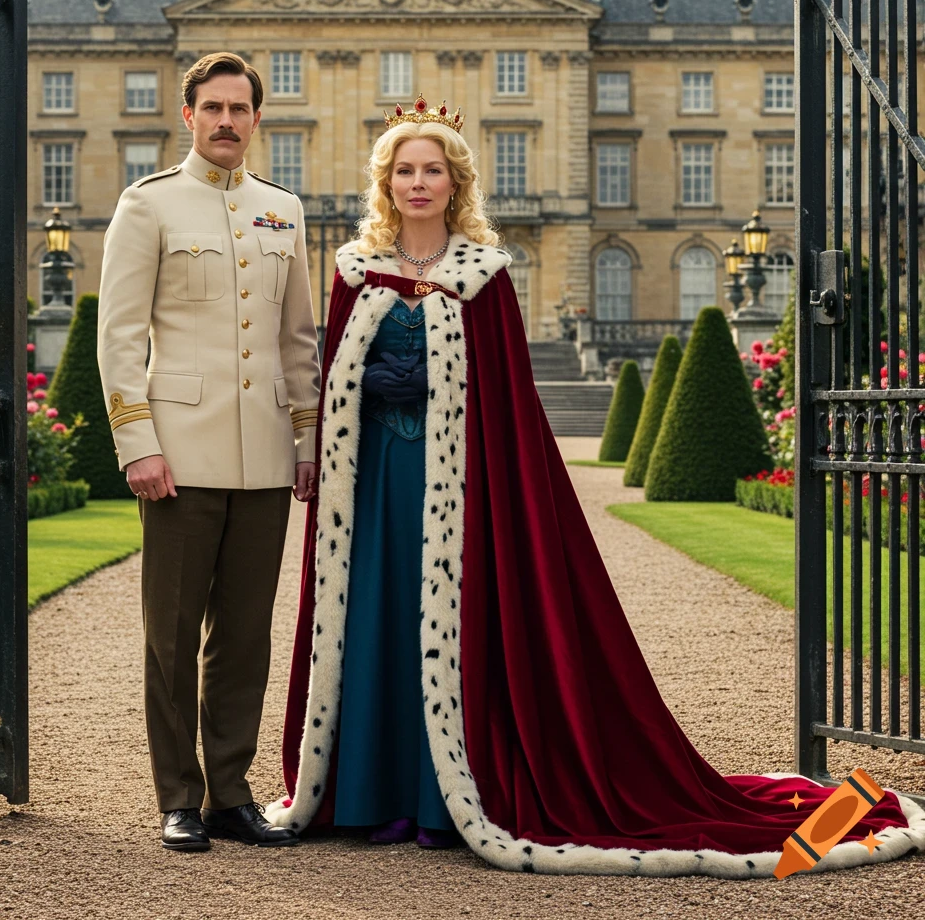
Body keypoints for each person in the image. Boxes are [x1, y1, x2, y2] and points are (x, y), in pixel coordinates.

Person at [265, 96, 925, 876]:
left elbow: (508, 409)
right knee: (374, 618)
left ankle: (447, 800)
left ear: (455, 182)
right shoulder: (352, 270)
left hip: (463, 485)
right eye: (404, 171)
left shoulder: (486, 276)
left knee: (455, 627)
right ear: (386, 182)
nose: (418, 183)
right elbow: (328, 372)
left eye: (432, 170)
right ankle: (373, 794)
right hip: (374, 479)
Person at [97, 52, 320, 852]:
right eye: (213, 108)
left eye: (241, 109)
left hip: (264, 455)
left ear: (258, 118)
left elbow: (298, 337)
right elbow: (120, 338)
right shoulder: (148, 203)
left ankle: (231, 791)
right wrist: (137, 444)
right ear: (188, 115)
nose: (228, 121)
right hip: (178, 457)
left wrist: (305, 440)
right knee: (172, 634)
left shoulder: (281, 210)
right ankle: (178, 796)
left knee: (246, 635)